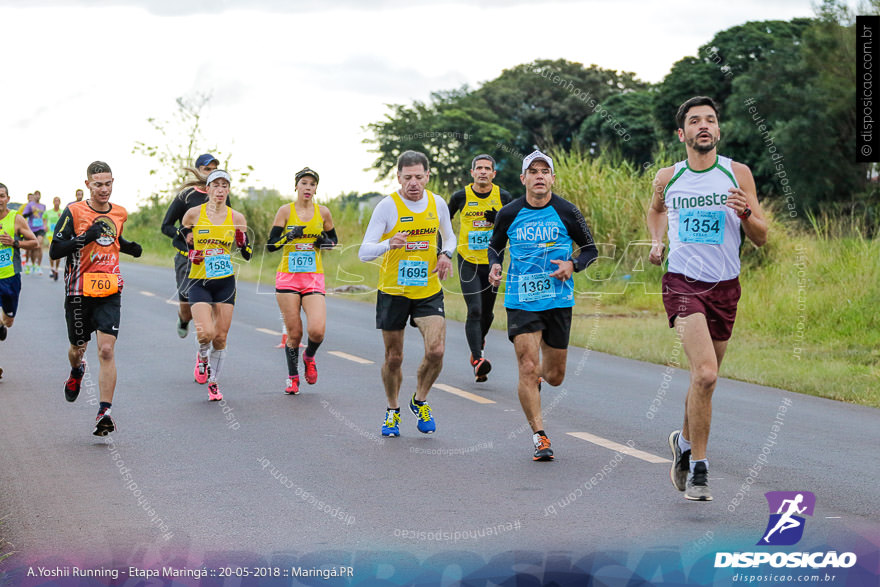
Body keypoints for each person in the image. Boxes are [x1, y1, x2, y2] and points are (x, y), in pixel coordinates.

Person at [647, 96, 768, 501]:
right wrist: (657, 240)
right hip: (682, 283)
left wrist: (746, 213)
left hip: (725, 288)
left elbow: (763, 237)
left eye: (710, 120)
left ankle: (682, 441)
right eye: (695, 121)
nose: (704, 126)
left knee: (705, 380)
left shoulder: (737, 173)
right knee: (706, 373)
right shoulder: (668, 176)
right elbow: (656, 210)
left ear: (718, 131)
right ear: (681, 134)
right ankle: (699, 467)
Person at [488, 150, 597, 461]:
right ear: (523, 179)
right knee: (526, 366)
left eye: (544, 171)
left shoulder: (567, 212)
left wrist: (573, 265)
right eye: (532, 171)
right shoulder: (508, 213)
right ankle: (540, 436)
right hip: (521, 298)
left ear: (552, 178)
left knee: (555, 375)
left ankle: (537, 379)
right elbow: (494, 247)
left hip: (557, 300)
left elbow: (590, 249)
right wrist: (494, 266)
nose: (538, 176)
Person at [358, 150, 455, 437]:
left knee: (436, 351)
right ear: (398, 177)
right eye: (407, 177)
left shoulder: (437, 203)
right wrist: (389, 243)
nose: (413, 182)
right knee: (394, 358)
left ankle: (420, 400)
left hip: (427, 289)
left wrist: (446, 254)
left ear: (427, 176)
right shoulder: (387, 207)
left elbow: (450, 235)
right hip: (393, 291)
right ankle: (392, 410)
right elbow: (365, 251)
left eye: (418, 176)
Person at [49, 161, 143, 436]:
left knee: (106, 350)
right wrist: (84, 238)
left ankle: (105, 412)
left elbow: (113, 239)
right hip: (79, 291)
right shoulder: (74, 211)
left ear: (113, 182)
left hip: (110, 290)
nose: (104, 189)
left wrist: (129, 248)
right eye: (98, 184)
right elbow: (55, 250)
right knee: (78, 349)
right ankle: (77, 370)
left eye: (108, 183)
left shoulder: (120, 213)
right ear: (88, 184)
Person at [179, 169, 251, 402]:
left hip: (225, 282)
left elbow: (247, 254)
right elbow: (184, 238)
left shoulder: (237, 218)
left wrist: (242, 243)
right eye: (216, 185)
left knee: (220, 337)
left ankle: (213, 382)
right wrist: (192, 252)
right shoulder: (192, 214)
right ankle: (202, 357)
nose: (220, 190)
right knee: (205, 333)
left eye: (224, 186)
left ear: (228, 190)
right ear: (207, 189)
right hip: (199, 281)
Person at [266, 167, 337, 395]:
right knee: (294, 334)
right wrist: (289, 236)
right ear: (296, 186)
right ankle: (293, 377)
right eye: (304, 183)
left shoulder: (323, 212)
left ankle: (309, 357)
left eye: (312, 184)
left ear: (316, 188)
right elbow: (270, 245)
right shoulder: (285, 211)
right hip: (288, 278)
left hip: (313, 278)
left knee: (317, 331)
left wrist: (323, 241)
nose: (308, 188)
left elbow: (333, 241)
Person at [447, 154, 513, 382]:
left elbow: (516, 226)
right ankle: (478, 360)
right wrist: (442, 251)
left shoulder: (503, 196)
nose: (483, 172)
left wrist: (500, 220)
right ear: (472, 172)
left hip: (493, 262)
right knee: (474, 310)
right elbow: (443, 224)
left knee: (487, 312)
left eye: (488, 169)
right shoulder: (460, 196)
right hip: (468, 260)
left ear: (494, 174)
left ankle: (478, 344)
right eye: (479, 168)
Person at [160, 153, 221, 338]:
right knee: (188, 305)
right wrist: (184, 234)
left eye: (214, 169)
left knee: (210, 305)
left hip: (212, 259)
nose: (210, 173)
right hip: (187, 259)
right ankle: (183, 318)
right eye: (206, 169)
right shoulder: (185, 196)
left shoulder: (220, 196)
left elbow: (227, 221)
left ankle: (207, 343)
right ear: (198, 171)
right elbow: (166, 226)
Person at [0, 183, 39, 347]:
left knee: (8, 321)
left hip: (10, 278)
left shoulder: (16, 218)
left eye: (1, 196)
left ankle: (2, 324)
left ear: (8, 199)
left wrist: (14, 242)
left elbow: (34, 242)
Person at [21, 190, 46, 275]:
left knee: (38, 245)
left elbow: (44, 216)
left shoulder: (43, 206)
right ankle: (28, 263)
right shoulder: (29, 205)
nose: (38, 196)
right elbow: (24, 215)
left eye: (39, 195)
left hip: (40, 228)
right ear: (34, 196)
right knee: (30, 249)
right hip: (30, 229)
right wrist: (31, 211)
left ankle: (38, 266)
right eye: (36, 195)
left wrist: (46, 225)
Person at [44, 196, 62, 281]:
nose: (56, 202)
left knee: (59, 254)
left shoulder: (62, 212)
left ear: (60, 202)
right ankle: (51, 268)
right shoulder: (48, 212)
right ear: (53, 202)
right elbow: (44, 218)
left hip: (60, 235)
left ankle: (56, 269)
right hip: (50, 234)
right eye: (55, 201)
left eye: (58, 201)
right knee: (52, 251)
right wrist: (44, 225)